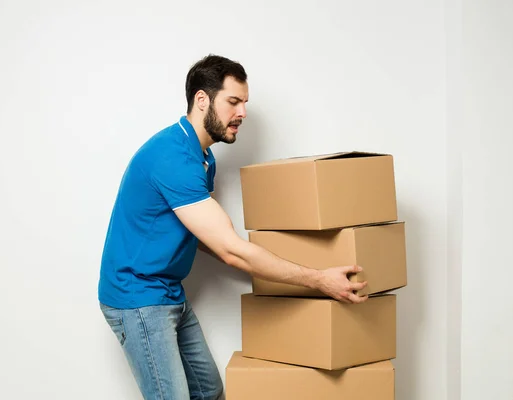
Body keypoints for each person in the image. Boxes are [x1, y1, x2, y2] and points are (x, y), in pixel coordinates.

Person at [98, 54, 368, 400]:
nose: (242, 112)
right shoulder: (172, 158)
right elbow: (228, 249)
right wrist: (317, 279)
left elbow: (207, 237)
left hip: (167, 290)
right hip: (137, 298)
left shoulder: (203, 157)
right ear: (201, 99)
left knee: (208, 391)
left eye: (245, 103)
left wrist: (263, 264)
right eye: (233, 101)